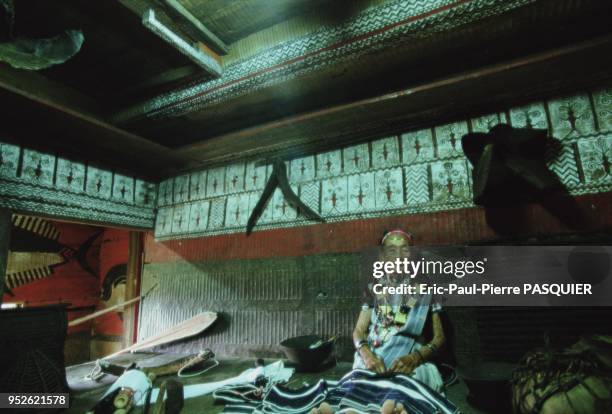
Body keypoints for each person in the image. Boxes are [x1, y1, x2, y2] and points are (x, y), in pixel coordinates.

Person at [352, 229, 446, 393]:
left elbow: (439, 337)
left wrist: (415, 358)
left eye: (405, 249)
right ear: (382, 257)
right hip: (374, 355)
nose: (399, 256)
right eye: (392, 250)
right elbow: (359, 331)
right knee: (359, 389)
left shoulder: (424, 289)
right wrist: (367, 356)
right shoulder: (374, 287)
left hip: (410, 357)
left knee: (408, 390)